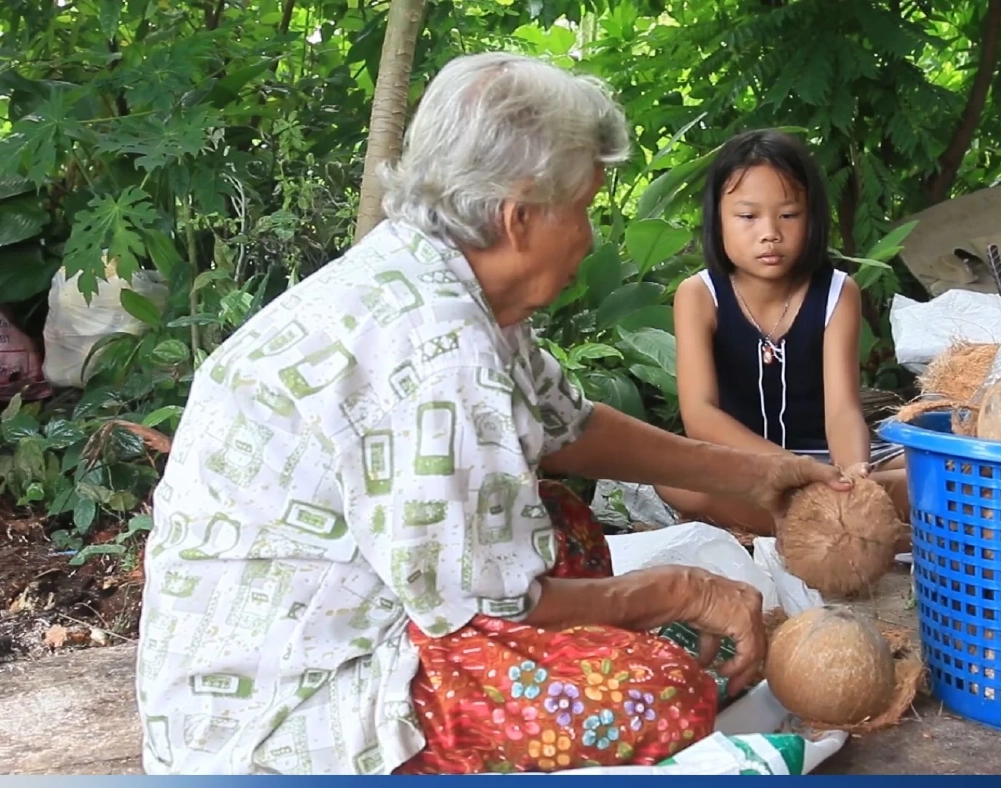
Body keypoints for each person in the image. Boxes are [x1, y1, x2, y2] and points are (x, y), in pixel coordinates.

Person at [133, 53, 850, 776]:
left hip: (322, 620)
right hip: (288, 713)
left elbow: (568, 425)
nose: (591, 237)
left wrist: (759, 474)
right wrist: (678, 588)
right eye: (584, 210)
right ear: (520, 215)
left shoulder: (433, 272)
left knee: (561, 526)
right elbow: (491, 614)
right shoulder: (441, 348)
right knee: (658, 695)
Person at [656, 129, 909, 537]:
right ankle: (841, 516)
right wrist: (790, 470)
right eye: (748, 216)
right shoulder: (699, 295)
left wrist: (853, 474)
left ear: (812, 218)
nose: (770, 232)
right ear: (717, 220)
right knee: (674, 478)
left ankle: (828, 510)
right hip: (742, 465)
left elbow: (843, 409)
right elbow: (700, 415)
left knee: (934, 471)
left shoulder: (837, 292)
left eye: (789, 215)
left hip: (827, 458)